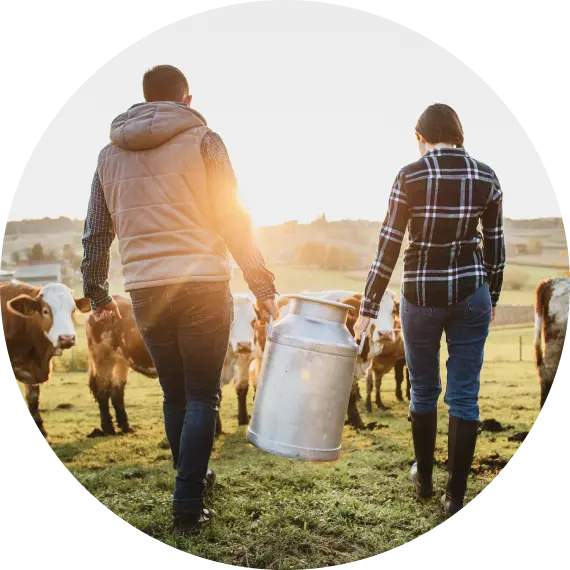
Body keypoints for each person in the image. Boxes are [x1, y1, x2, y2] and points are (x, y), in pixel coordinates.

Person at [81, 64, 279, 533]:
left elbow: (96, 233)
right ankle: (188, 499)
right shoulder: (204, 140)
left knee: (175, 394)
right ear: (185, 100)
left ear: (145, 100)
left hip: (146, 291)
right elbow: (232, 217)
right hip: (202, 285)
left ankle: (195, 477)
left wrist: (96, 292)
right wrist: (262, 286)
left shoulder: (109, 155)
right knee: (201, 396)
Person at [354, 103, 505, 520]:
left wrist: (368, 307)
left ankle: (423, 480)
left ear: (419, 136)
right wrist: (491, 295)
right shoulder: (486, 176)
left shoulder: (410, 174)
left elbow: (388, 246)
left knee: (423, 390)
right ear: (459, 135)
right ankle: (455, 499)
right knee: (464, 394)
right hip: (471, 293)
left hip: (420, 295)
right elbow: (495, 245)